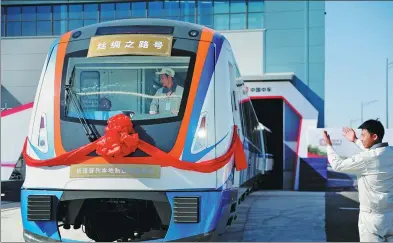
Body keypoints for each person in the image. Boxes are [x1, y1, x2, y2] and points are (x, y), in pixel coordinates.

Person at [323, 119, 393, 242]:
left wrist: (328, 145)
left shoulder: (367, 158)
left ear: (374, 136)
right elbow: (372, 152)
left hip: (372, 220)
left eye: (363, 135)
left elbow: (337, 165)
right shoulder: (390, 152)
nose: (361, 138)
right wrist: (355, 140)